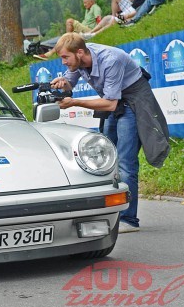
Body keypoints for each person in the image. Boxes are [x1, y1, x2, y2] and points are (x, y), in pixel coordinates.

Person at [50, 33, 170, 233]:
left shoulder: (110, 59)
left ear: (79, 52)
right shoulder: (79, 61)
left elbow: (110, 103)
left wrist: (75, 103)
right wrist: (63, 84)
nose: (63, 63)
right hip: (113, 100)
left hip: (131, 100)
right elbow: (70, 86)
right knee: (104, 157)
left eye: (65, 58)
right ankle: (108, 208)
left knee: (125, 161)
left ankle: (128, 219)